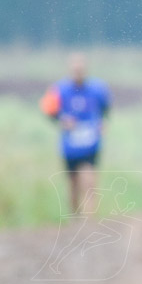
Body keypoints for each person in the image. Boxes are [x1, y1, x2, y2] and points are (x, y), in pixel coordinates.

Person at [39, 52, 111, 214]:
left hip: (90, 143)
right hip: (70, 145)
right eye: (75, 68)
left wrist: (103, 123)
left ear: (86, 69)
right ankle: (74, 219)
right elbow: (47, 109)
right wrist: (61, 120)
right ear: (70, 69)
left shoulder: (98, 89)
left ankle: (89, 221)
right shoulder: (59, 90)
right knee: (73, 185)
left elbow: (106, 109)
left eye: (81, 68)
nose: (78, 71)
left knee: (89, 181)